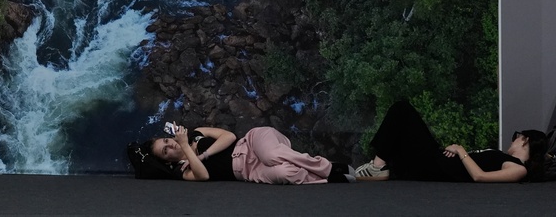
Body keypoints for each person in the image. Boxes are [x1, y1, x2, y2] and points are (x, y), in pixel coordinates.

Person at [354, 99, 548, 182]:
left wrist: (460, 150)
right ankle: (378, 166)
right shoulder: (508, 160)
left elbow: (480, 177)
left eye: (516, 137)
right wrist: (457, 151)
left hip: (437, 167)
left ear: (525, 140)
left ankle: (377, 167)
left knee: (402, 109)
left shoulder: (519, 168)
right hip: (438, 161)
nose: (512, 141)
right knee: (402, 122)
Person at [128, 123, 353, 183]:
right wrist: (186, 147)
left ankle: (330, 170)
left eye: (167, 141)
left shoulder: (197, 132)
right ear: (166, 161)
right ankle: (326, 177)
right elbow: (204, 176)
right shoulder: (182, 170)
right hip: (248, 171)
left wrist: (202, 153)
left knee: (272, 156)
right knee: (285, 173)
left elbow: (229, 137)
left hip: (253, 143)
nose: (171, 146)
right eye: (165, 150)